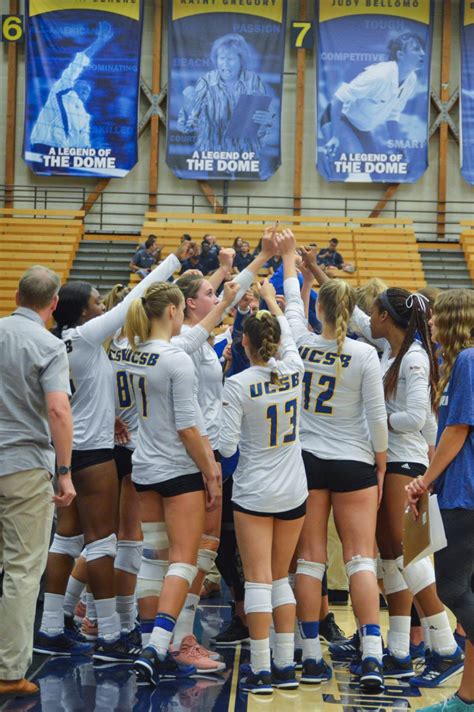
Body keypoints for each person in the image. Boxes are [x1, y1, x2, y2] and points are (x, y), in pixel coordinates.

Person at [34, 243, 194, 663]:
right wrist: (174, 261)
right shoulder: (88, 336)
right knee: (102, 543)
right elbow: (134, 299)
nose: (100, 305)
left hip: (64, 451)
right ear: (81, 312)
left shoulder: (59, 343)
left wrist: (107, 415)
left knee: (66, 539)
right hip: (93, 455)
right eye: (94, 303)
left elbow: (72, 399)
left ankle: (51, 625)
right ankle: (108, 633)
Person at [281, 231, 388, 690]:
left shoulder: (301, 344)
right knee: (362, 559)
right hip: (355, 464)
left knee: (310, 561)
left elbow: (288, 302)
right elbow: (377, 420)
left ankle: (309, 656)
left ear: (319, 309)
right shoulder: (365, 352)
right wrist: (381, 467)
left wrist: (291, 262)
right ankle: (372, 656)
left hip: (307, 462)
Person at [346, 282, 464, 686]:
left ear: (387, 318)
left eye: (375, 311)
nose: (370, 317)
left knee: (412, 558)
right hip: (391, 460)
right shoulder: (388, 350)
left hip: (406, 463)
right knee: (392, 559)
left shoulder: (413, 358)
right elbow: (354, 318)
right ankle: (398, 650)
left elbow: (415, 416)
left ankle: (445, 646)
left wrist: (366, 421)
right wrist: (311, 273)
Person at [124, 282, 222, 686]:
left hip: (144, 466)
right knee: (183, 558)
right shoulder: (176, 359)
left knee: (153, 558)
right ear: (172, 312)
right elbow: (188, 427)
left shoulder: (132, 354)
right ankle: (157, 646)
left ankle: (151, 642)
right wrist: (211, 469)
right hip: (178, 470)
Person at [219, 279, 307, 695]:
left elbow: (226, 446)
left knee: (256, 580)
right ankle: (286, 665)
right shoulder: (295, 370)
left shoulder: (236, 385)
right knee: (280, 579)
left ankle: (260, 670)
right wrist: (274, 301)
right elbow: (291, 333)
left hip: (254, 490)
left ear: (245, 345)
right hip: (294, 490)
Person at [0, 266, 75, 699]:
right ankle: (10, 669)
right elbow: (58, 411)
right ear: (52, 305)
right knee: (23, 569)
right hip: (25, 465)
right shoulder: (49, 345)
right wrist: (64, 472)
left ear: (16, 294)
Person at [406, 289, 474, 712]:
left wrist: (426, 482)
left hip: (464, 494)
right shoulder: (455, 364)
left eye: (436, 318)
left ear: (452, 319)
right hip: (457, 490)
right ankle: (467, 698)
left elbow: (458, 430)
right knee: (468, 593)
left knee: (450, 586)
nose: (429, 324)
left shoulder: (468, 360)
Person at [323, 33, 426, 163]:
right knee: (357, 168)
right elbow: (338, 99)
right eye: (416, 49)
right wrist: (335, 136)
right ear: (400, 55)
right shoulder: (379, 75)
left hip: (362, 128)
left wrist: (397, 144)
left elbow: (393, 115)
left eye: (422, 49)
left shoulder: (411, 79)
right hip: (340, 119)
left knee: (375, 170)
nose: (422, 53)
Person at [177, 33, 274, 154]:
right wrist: (188, 106)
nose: (225, 64)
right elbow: (187, 126)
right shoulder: (206, 81)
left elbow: (265, 128)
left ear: (241, 61)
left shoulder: (253, 81)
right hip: (214, 151)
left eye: (231, 59)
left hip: (246, 153)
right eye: (221, 58)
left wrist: (265, 122)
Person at [30, 21, 114, 150]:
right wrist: (99, 42)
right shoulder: (62, 91)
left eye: (88, 90)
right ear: (73, 86)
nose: (86, 91)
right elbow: (77, 65)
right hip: (43, 145)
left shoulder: (85, 117)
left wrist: (94, 150)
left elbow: (83, 144)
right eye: (82, 87)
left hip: (62, 153)